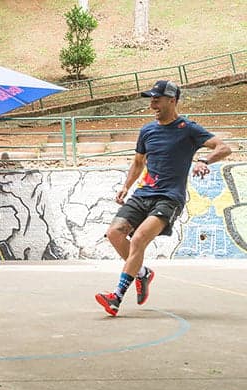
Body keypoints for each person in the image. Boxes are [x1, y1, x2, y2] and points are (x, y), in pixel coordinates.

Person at [95, 80, 232, 317]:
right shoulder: (147, 130)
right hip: (143, 194)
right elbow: (139, 162)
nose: (152, 104)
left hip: (169, 198)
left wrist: (204, 160)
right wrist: (126, 186)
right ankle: (142, 273)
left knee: (138, 239)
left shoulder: (188, 129)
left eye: (157, 99)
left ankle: (116, 297)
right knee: (114, 233)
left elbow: (224, 147)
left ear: (172, 100)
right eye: (151, 99)